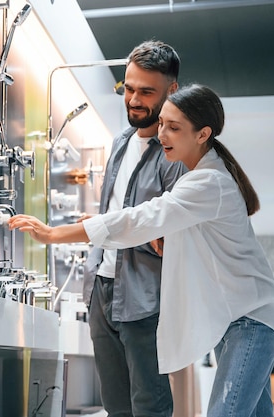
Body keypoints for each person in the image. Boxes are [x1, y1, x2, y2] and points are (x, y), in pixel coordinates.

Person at [9, 84, 274, 417]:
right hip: (232, 320)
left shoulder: (209, 182)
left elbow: (142, 218)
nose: (162, 134)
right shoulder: (197, 180)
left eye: (174, 127)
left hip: (252, 318)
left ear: (202, 135)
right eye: (162, 124)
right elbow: (162, 227)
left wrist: (56, 234)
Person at [73, 40, 188, 417]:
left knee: (149, 405)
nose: (134, 100)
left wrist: (165, 235)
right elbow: (116, 211)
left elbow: (177, 228)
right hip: (102, 288)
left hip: (144, 296)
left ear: (172, 90)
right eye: (129, 88)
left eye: (146, 92)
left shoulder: (176, 153)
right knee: (115, 406)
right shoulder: (120, 142)